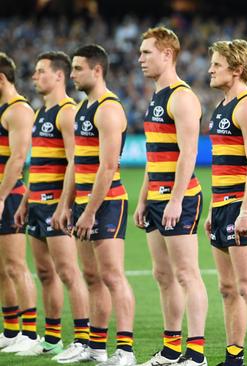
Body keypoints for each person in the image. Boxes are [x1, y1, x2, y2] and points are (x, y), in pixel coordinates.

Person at [54, 44, 136, 366]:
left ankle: (126, 351)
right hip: (83, 206)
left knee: (113, 276)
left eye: (77, 69)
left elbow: (108, 166)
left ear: (96, 70)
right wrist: (65, 205)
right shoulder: (83, 108)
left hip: (107, 204)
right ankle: (97, 347)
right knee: (91, 277)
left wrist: (88, 211)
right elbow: (76, 162)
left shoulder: (109, 109)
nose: (72, 75)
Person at [133, 27, 208, 366]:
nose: (140, 58)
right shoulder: (156, 96)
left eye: (147, 52)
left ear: (167, 54)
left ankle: (196, 353)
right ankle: (171, 348)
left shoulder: (182, 97)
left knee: (186, 273)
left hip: (180, 198)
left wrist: (176, 199)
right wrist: (143, 198)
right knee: (162, 275)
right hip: (156, 199)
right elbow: (155, 155)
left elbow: (188, 153)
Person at [13, 51, 90, 357]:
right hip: (37, 204)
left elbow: (75, 161)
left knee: (69, 272)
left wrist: (64, 205)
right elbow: (38, 162)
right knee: (45, 272)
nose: (34, 76)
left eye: (41, 71)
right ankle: (52, 339)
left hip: (57, 206)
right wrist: (26, 200)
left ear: (59, 76)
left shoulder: (67, 112)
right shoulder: (39, 113)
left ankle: (84, 340)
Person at [204, 39, 247, 366]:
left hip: (241, 207)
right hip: (221, 206)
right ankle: (233, 357)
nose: (210, 70)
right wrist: (214, 209)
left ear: (237, 69)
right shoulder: (222, 105)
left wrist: (246, 211)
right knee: (228, 288)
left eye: (217, 64)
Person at [0, 52, 39, 352]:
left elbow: (18, 157)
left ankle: (30, 334)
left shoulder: (18, 110)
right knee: (2, 268)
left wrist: (1, 196)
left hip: (9, 195)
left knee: (16, 265)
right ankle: (11, 331)